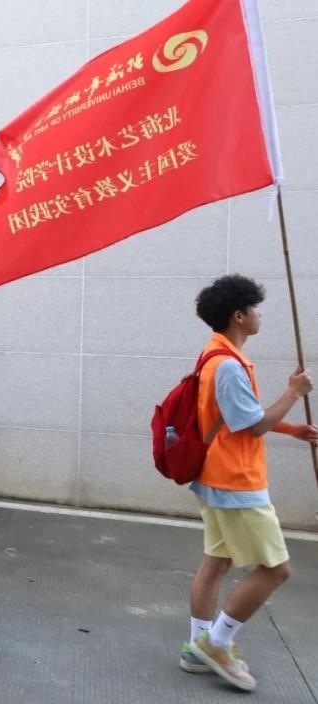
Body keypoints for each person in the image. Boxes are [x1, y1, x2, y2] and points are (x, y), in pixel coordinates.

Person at [183, 275, 316, 691]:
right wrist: (293, 392)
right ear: (238, 316)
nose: (260, 315)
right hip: (236, 483)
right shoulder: (227, 365)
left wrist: (291, 429)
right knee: (276, 569)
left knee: (216, 562)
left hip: (214, 478)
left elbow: (239, 418)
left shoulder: (214, 356)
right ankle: (216, 642)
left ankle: (197, 648)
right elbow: (252, 425)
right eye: (255, 308)